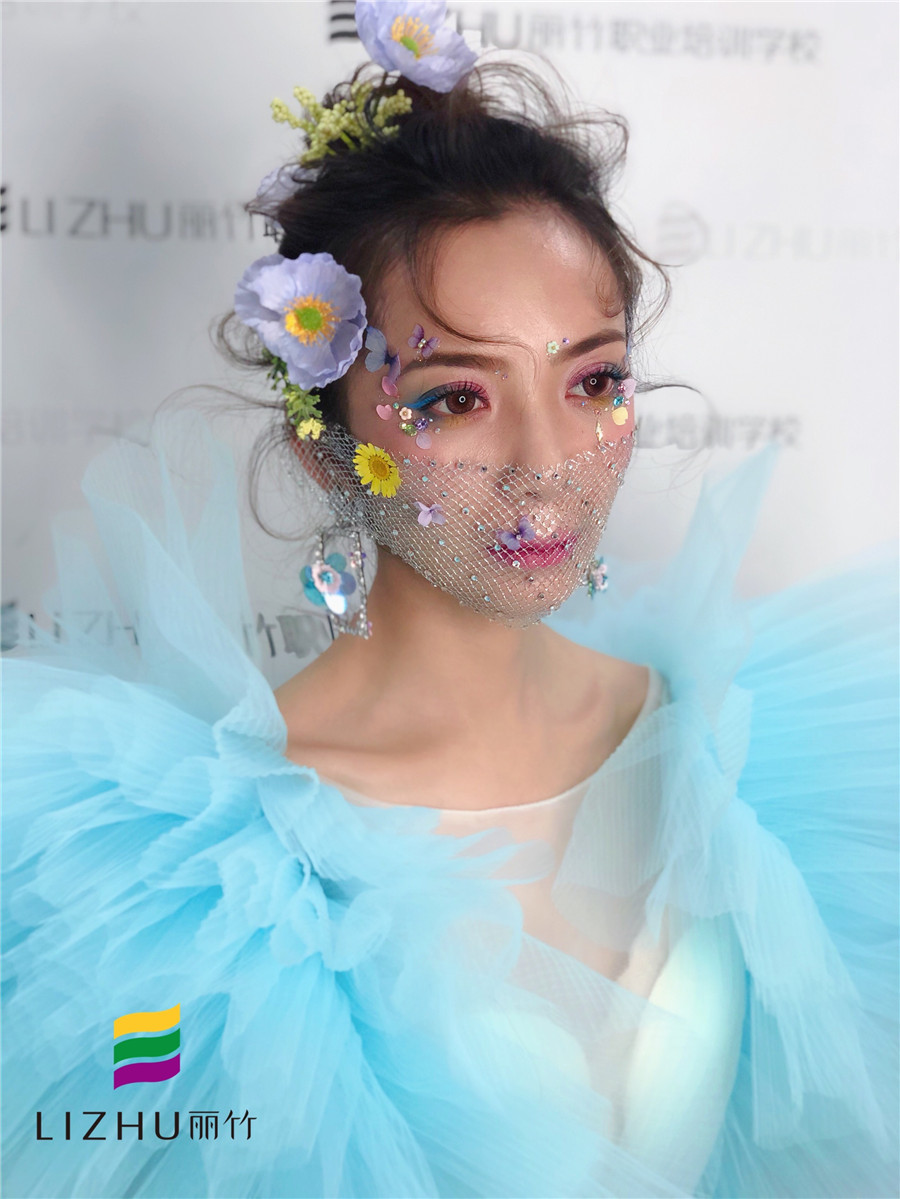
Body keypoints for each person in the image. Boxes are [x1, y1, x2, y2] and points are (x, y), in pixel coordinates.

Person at [2, 4, 897, 1197]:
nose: (546, 460)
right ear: (328, 448)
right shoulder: (193, 883)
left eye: (594, 380)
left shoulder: (756, 756)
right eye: (452, 398)